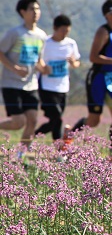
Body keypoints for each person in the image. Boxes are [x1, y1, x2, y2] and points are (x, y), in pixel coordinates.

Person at [73, 0, 112, 164]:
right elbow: (93, 57)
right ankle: (69, 134)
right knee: (93, 121)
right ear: (108, 15)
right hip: (98, 79)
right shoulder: (103, 32)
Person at [0, 0, 48, 156]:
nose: (36, 12)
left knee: (33, 120)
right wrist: (15, 68)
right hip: (11, 84)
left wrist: (43, 69)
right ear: (23, 12)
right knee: (18, 122)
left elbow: (38, 60)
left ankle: (20, 155)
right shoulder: (15, 33)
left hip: (31, 84)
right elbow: (1, 53)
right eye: (32, 9)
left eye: (37, 9)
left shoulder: (41, 35)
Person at [35, 14, 81, 143]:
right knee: (57, 117)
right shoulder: (45, 43)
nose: (65, 34)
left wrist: (73, 63)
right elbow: (36, 61)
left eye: (67, 31)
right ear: (55, 28)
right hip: (46, 86)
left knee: (56, 118)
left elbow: (77, 63)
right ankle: (34, 135)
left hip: (63, 86)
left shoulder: (71, 44)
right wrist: (43, 68)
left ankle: (58, 147)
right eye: (62, 31)